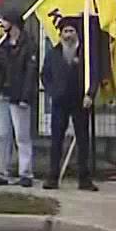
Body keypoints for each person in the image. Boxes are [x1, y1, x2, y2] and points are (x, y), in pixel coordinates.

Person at [40, 18, 101, 191]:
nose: (68, 35)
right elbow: (45, 75)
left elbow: (95, 74)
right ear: (60, 34)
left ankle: (84, 179)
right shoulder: (54, 53)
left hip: (81, 102)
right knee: (56, 140)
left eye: (71, 31)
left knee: (83, 141)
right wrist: (52, 92)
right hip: (60, 102)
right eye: (65, 32)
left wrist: (90, 94)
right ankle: (53, 177)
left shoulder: (86, 53)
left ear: (76, 33)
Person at [0, 7, 37, 188]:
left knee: (22, 137)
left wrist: (25, 97)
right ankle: (2, 172)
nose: (2, 24)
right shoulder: (3, 44)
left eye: (4, 21)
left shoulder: (28, 45)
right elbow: (0, 67)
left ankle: (26, 173)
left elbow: (31, 72)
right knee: (2, 135)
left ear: (13, 23)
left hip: (18, 96)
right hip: (2, 95)